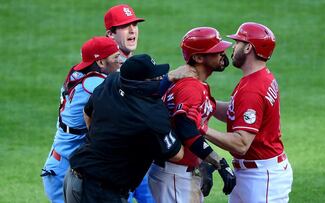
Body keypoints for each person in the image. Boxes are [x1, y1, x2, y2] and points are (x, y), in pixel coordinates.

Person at [103, 5, 196, 203]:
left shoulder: (134, 65)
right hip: (113, 169)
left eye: (134, 24)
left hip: (138, 162)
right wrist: (169, 78)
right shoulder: (105, 68)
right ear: (110, 34)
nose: (132, 30)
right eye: (124, 26)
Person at [63, 54, 184, 203]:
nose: (160, 79)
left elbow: (87, 113)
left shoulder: (113, 81)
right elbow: (177, 154)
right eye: (155, 78)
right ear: (142, 83)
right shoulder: (150, 115)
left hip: (76, 177)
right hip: (100, 192)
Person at [202, 22, 293, 203]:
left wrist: (201, 129)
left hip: (261, 178)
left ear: (248, 48)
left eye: (238, 43)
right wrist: (207, 105)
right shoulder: (260, 77)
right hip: (254, 172)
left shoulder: (252, 89)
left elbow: (241, 143)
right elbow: (235, 110)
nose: (233, 48)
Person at [148, 27, 236, 203]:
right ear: (198, 58)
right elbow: (186, 127)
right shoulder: (191, 87)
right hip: (174, 175)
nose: (222, 53)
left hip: (178, 173)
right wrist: (219, 163)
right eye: (216, 50)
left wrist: (202, 161)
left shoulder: (194, 84)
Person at [41, 36, 122, 203]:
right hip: (64, 172)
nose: (120, 61)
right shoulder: (95, 85)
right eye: (115, 57)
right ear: (100, 63)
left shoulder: (77, 74)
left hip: (60, 162)